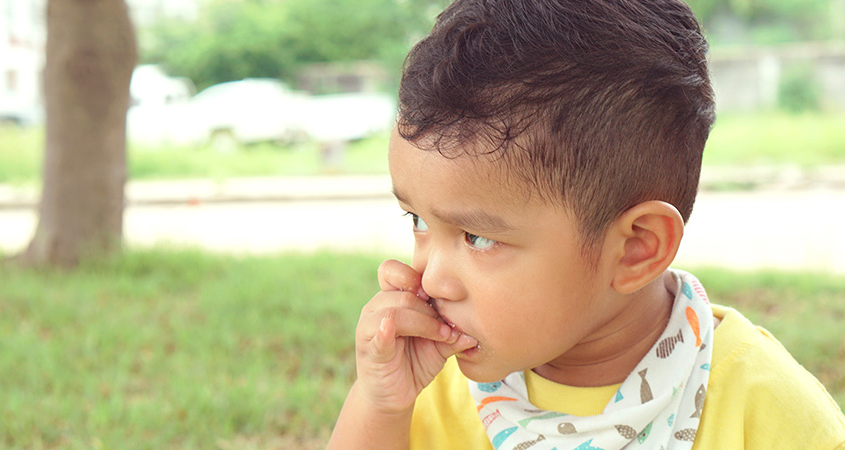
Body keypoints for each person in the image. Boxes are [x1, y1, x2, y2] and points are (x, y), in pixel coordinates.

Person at [328, 0, 845, 448]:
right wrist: (380, 405)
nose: (431, 279)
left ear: (636, 249)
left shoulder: (769, 415)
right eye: (417, 219)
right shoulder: (425, 390)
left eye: (478, 237)